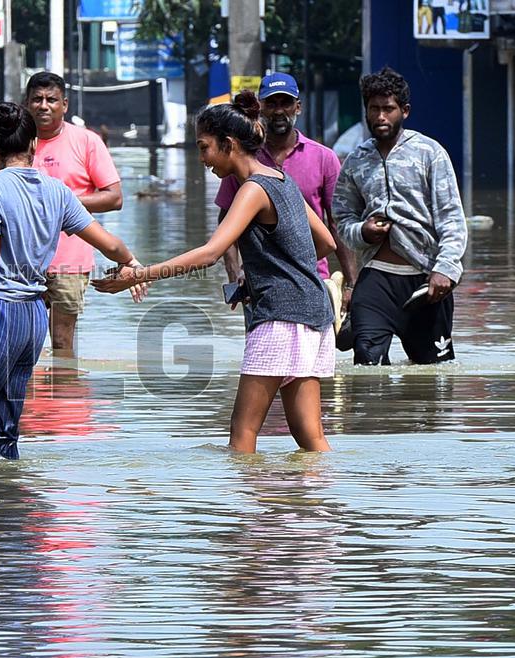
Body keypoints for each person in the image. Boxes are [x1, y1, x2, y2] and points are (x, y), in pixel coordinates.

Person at [93, 92, 337, 455]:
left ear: (229, 144)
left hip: (280, 317)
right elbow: (326, 242)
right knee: (310, 437)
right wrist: (272, 270)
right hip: (314, 314)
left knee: (242, 435)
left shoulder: (253, 189)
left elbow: (210, 253)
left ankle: (244, 496)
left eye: (204, 147)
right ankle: (330, 492)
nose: (202, 158)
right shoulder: (283, 180)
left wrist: (140, 274)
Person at [0, 101, 140, 460]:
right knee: (3, 433)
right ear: (33, 145)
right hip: (33, 318)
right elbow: (111, 245)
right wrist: (133, 264)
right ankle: (8, 491)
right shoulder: (58, 191)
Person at [332, 66, 467, 365]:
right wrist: (363, 232)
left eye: (388, 109)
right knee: (367, 364)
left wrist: (445, 269)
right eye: (374, 109)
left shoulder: (430, 153)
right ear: (366, 111)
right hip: (376, 280)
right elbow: (341, 219)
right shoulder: (355, 161)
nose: (381, 116)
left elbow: (452, 219)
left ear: (404, 111)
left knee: (435, 373)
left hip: (426, 282)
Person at [217, 73, 357, 316]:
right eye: (271, 103)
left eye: (286, 103)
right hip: (259, 285)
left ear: (298, 107)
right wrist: (235, 275)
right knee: (261, 341)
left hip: (312, 280)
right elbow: (226, 226)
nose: (279, 111)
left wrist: (352, 284)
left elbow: (337, 225)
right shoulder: (242, 159)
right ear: (260, 107)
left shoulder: (323, 158)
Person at [24, 71, 125, 355]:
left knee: (61, 343)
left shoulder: (86, 141)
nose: (44, 106)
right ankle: (30, 387)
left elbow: (114, 197)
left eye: (51, 100)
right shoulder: (18, 142)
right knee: (20, 343)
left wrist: (64, 203)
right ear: (27, 104)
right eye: (37, 99)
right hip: (22, 260)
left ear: (64, 105)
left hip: (69, 260)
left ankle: (66, 385)